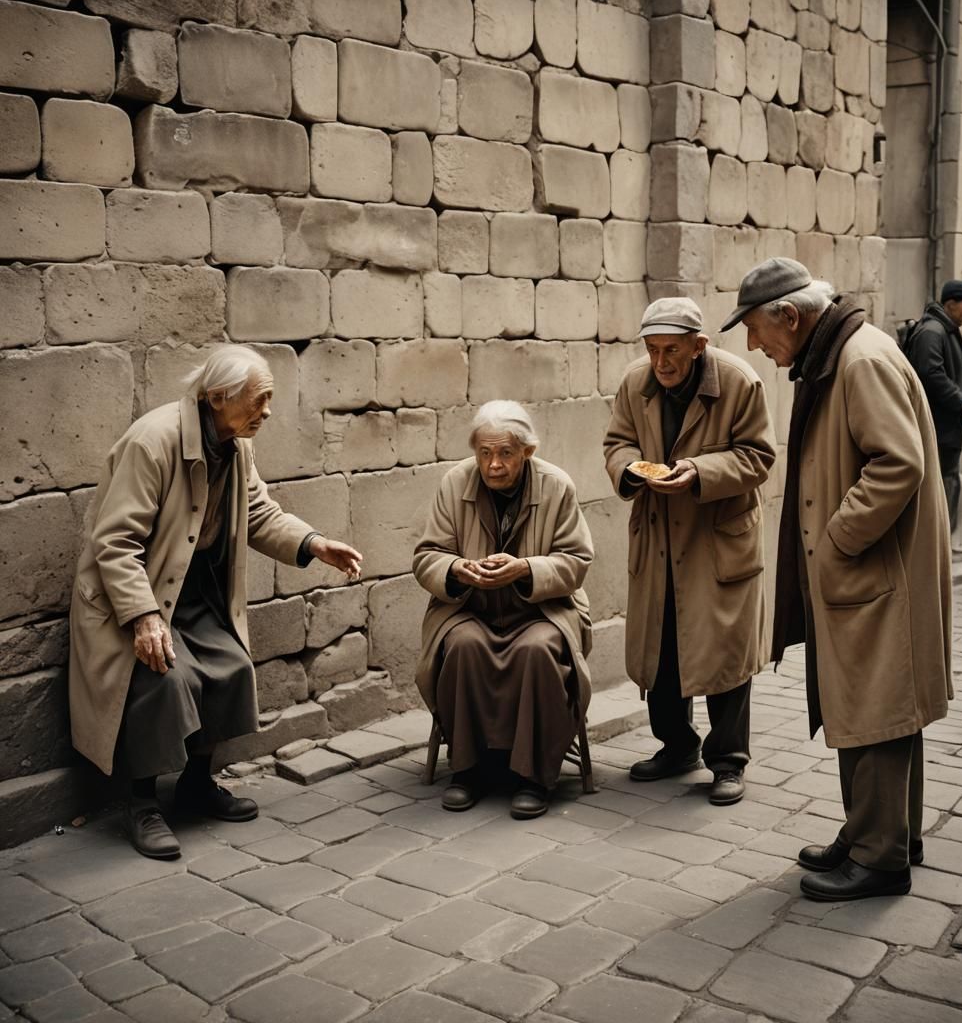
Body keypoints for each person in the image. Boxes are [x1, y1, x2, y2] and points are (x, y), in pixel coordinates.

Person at [69, 347, 364, 860]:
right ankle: (141, 803)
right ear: (218, 397)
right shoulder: (154, 441)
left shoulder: (235, 443)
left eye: (268, 400)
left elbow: (258, 512)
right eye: (259, 400)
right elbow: (114, 542)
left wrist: (314, 544)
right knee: (165, 677)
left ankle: (197, 784)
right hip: (137, 592)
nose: (267, 411)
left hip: (191, 588)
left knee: (229, 666)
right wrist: (141, 616)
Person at [724, 257, 953, 901]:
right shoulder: (846, 351)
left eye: (756, 330)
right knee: (874, 703)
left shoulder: (860, 360)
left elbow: (896, 463)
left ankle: (881, 860)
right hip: (867, 571)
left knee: (877, 707)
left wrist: (835, 543)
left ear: (790, 317)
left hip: (874, 569)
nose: (754, 346)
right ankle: (879, 833)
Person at [603, 297, 776, 806]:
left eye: (672, 350)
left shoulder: (739, 381)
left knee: (724, 653)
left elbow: (758, 455)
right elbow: (616, 443)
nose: (661, 362)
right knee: (662, 650)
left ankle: (727, 763)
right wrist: (630, 470)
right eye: (653, 350)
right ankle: (676, 746)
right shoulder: (636, 382)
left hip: (718, 536)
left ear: (699, 346)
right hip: (658, 536)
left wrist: (699, 471)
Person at [413, 401, 593, 820]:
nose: (494, 465)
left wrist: (525, 569)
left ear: (527, 451)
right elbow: (427, 557)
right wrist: (458, 569)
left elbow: (577, 561)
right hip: (469, 608)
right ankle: (467, 770)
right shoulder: (455, 482)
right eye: (485, 454)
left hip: (543, 611)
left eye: (506, 454)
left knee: (538, 650)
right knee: (462, 646)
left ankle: (534, 777)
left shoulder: (556, 485)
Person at [904, 279, 962, 531]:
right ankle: (934, 547)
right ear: (951, 304)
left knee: (945, 483)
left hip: (946, 427)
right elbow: (931, 373)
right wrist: (961, 402)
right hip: (938, 427)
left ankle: (940, 545)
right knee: (937, 486)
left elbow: (960, 375)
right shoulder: (933, 331)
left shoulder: (944, 330)